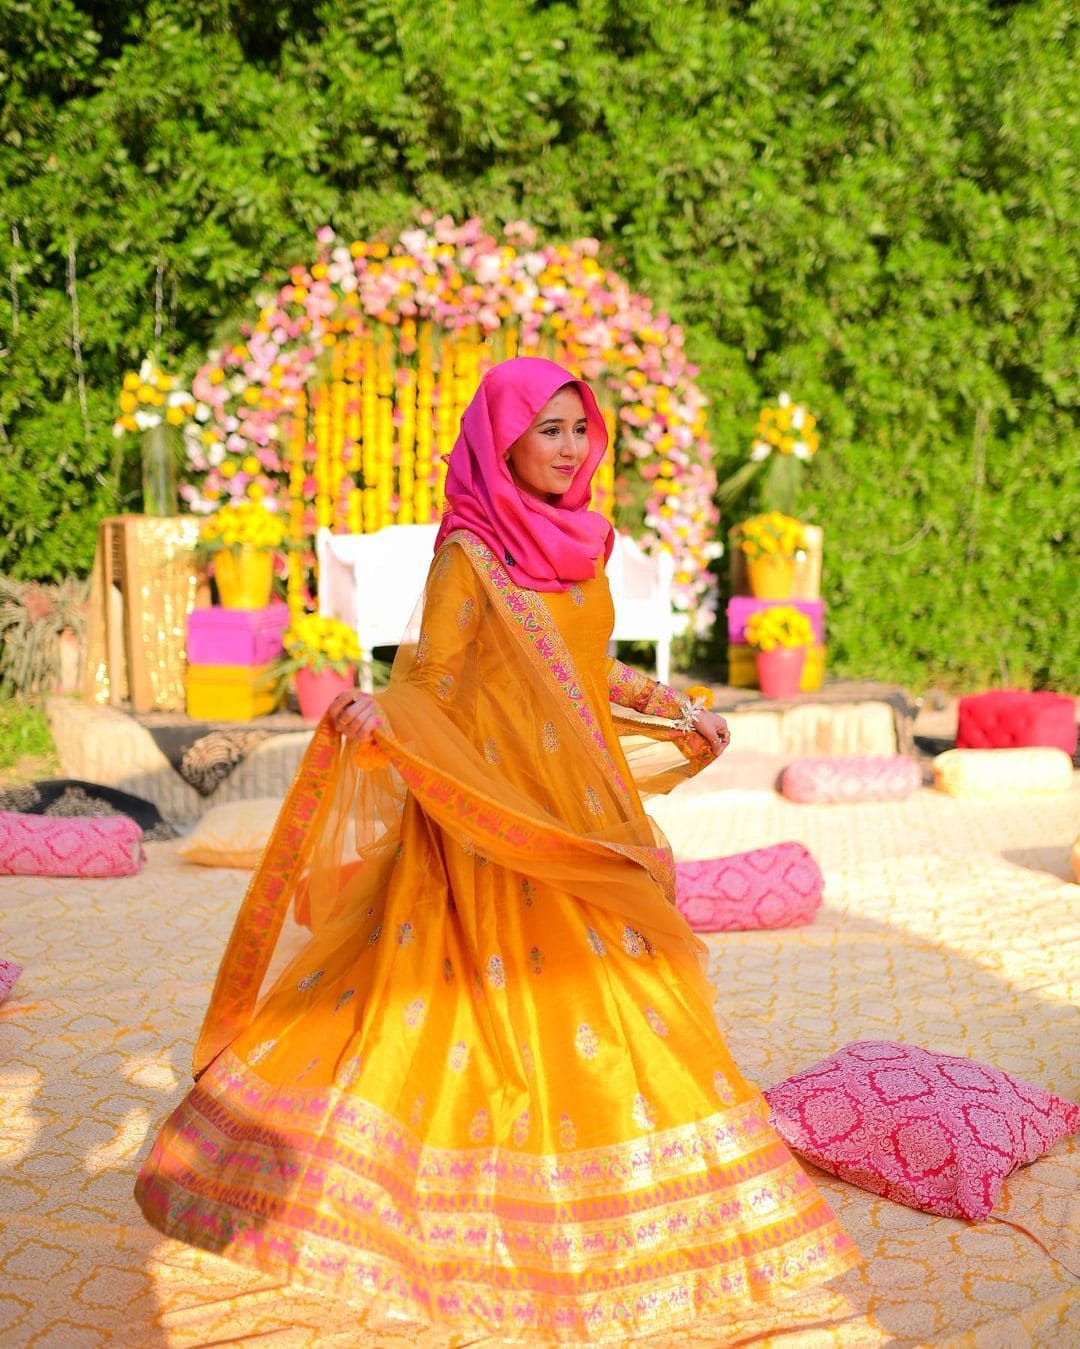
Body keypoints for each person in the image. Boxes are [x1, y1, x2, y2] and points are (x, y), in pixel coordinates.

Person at [135, 357, 856, 1342]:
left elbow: (585, 664)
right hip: (490, 816)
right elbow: (432, 680)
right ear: (501, 441)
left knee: (623, 986)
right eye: (548, 428)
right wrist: (381, 714)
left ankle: (641, 1190)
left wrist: (676, 705)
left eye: (579, 427)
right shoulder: (468, 553)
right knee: (462, 1009)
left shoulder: (584, 539)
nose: (570, 446)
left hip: (581, 805)